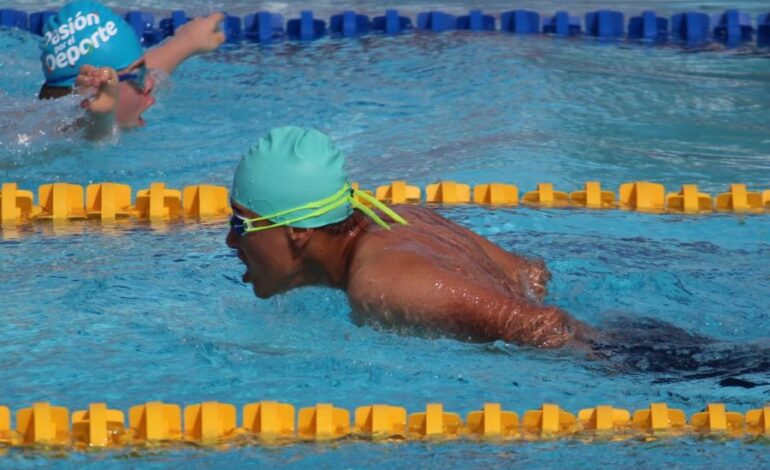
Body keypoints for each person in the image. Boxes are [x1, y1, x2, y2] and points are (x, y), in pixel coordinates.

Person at [226, 126, 596, 349]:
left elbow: (543, 328)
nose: (230, 240)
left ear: (299, 232)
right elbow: (531, 276)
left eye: (241, 225)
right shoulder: (398, 217)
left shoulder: (380, 282)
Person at [38, 1, 225, 139]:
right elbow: (92, 135)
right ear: (93, 92)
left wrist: (187, 42)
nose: (151, 82)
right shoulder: (49, 137)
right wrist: (101, 116)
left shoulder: (126, 87)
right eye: (140, 75)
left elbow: (125, 72)